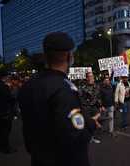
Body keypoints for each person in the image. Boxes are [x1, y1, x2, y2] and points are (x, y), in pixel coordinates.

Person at [18, 32, 100, 166]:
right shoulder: (64, 88)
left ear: (45, 55)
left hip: (39, 158)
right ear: (69, 56)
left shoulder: (29, 85)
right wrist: (90, 124)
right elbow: (76, 135)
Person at [79, 71, 105, 144]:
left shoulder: (96, 86)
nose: (91, 78)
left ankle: (92, 135)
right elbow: (79, 98)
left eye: (92, 76)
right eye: (89, 77)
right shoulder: (82, 87)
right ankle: (87, 137)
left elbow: (98, 97)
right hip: (86, 107)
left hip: (94, 107)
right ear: (86, 78)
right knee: (88, 124)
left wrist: (101, 106)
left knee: (96, 119)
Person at [0, 72, 16, 154]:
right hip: (4, 112)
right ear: (4, 77)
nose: (8, 78)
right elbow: (10, 98)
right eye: (7, 76)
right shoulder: (4, 87)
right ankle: (5, 148)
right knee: (5, 131)